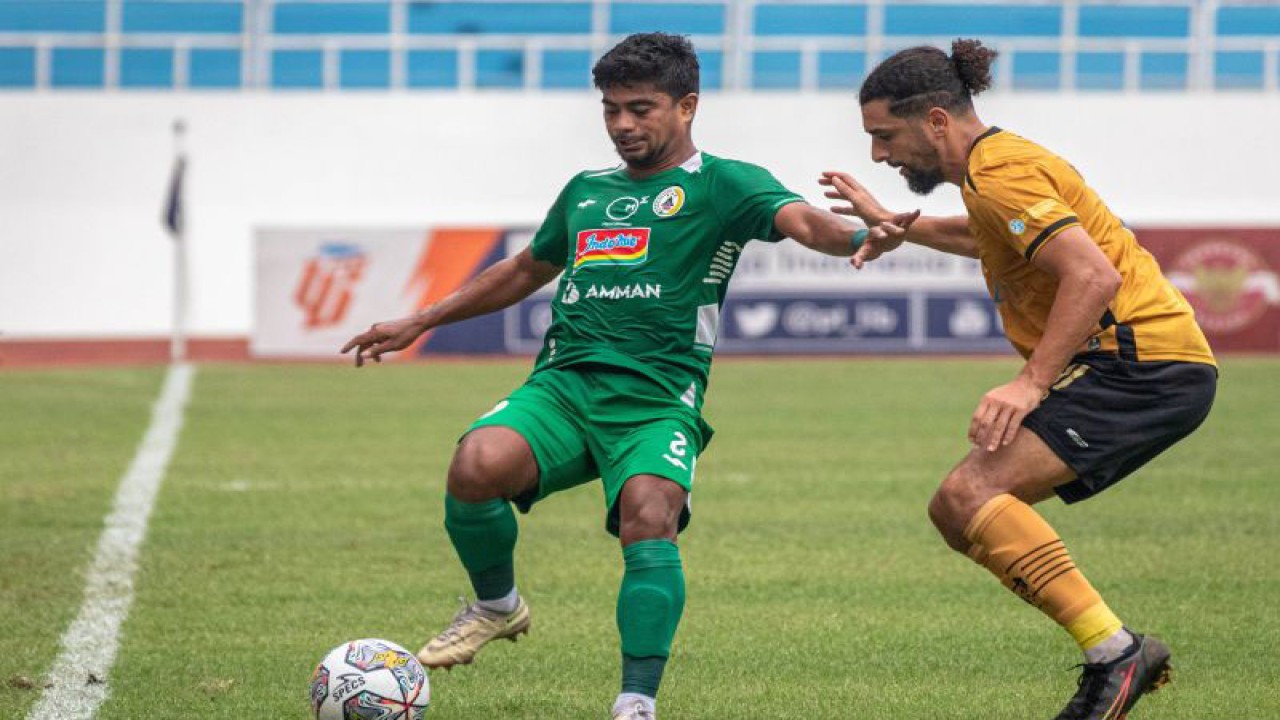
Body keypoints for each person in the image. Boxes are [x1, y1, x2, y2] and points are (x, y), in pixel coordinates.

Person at [342, 32, 879, 720]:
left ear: (687, 106)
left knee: (649, 519)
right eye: (611, 110)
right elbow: (525, 269)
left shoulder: (724, 183)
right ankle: (497, 606)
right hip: (564, 388)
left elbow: (804, 220)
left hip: (657, 402)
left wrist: (862, 234)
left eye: (641, 108)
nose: (623, 124)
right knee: (475, 464)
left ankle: (635, 703)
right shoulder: (587, 193)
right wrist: (422, 319)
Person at [821, 39, 1217, 720]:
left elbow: (1093, 275)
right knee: (958, 505)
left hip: (1142, 365)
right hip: (1149, 363)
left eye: (885, 136)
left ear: (938, 120)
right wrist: (900, 230)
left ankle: (1116, 655)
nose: (880, 157)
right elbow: (989, 236)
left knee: (971, 493)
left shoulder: (998, 170)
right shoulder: (993, 171)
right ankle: (1115, 652)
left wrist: (1031, 382)